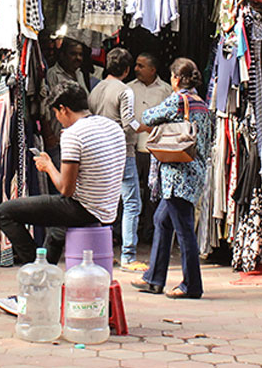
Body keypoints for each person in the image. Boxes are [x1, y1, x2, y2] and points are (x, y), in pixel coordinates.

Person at [0, 81, 125, 265]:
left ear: (63, 109)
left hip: (85, 209)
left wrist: (48, 166)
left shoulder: (73, 134)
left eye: (56, 113)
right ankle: (47, 267)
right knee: (56, 232)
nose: (57, 118)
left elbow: (66, 190)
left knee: (4, 212)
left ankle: (37, 266)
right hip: (110, 208)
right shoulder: (112, 127)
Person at [131, 58, 213, 300]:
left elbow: (149, 115)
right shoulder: (201, 103)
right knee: (162, 220)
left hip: (178, 174)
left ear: (176, 79)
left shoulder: (179, 100)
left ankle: (192, 285)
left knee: (184, 229)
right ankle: (154, 279)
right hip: (195, 170)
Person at [88, 47, 145, 271]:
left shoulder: (95, 89)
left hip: (97, 152)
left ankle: (102, 251)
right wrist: (146, 126)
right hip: (121, 151)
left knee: (102, 203)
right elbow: (128, 121)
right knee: (131, 203)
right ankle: (128, 256)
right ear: (127, 69)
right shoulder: (125, 91)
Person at [127, 52, 172, 243]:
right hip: (133, 149)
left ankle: (150, 232)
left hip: (156, 149)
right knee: (131, 193)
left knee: (153, 193)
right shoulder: (128, 89)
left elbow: (172, 119)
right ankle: (127, 232)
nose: (136, 69)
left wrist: (152, 127)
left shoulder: (166, 91)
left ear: (153, 70)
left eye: (140, 66)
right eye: (136, 65)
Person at [43, 39, 88, 151]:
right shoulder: (53, 75)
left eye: (80, 54)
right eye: (73, 54)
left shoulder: (79, 74)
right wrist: (49, 135)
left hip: (79, 137)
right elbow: (46, 106)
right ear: (63, 55)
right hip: (59, 138)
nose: (77, 58)